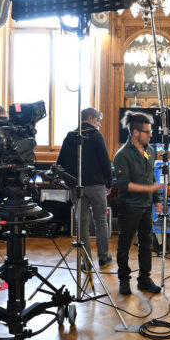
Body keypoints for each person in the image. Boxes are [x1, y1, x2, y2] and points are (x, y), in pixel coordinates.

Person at [113, 112, 164, 295]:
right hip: (130, 207)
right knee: (124, 245)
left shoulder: (150, 151)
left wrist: (156, 200)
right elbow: (125, 185)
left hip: (147, 207)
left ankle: (144, 279)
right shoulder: (122, 155)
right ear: (135, 132)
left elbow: (151, 177)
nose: (151, 135)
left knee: (146, 243)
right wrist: (150, 190)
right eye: (147, 132)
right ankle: (124, 280)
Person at [56, 107, 113, 270]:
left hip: (77, 186)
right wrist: (109, 183)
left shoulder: (70, 136)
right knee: (101, 220)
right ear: (89, 118)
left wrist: (70, 183)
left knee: (82, 223)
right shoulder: (96, 136)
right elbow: (105, 162)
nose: (99, 123)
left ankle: (86, 262)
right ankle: (103, 258)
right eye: (98, 120)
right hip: (96, 186)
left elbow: (60, 163)